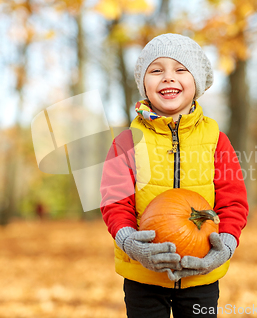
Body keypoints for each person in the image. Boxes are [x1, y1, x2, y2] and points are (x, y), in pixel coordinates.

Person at [100, 33, 248, 318]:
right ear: (144, 84)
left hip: (201, 273)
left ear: (197, 83)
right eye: (156, 70)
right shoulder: (127, 141)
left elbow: (233, 202)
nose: (168, 78)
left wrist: (225, 245)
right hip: (143, 275)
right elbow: (114, 202)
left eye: (180, 70)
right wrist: (131, 243)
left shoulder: (216, 139)